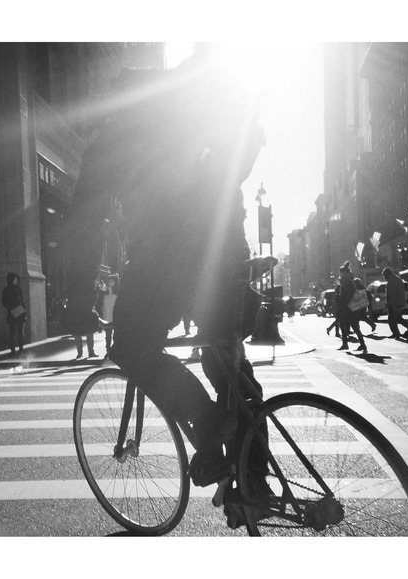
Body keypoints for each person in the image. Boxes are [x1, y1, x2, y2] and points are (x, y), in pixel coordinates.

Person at [65, 53, 270, 511]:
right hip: (226, 251)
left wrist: (78, 297)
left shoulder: (117, 133)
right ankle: (254, 485)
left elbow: (83, 222)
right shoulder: (195, 106)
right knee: (229, 366)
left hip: (166, 259)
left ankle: (207, 426)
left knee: (131, 347)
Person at [336, 263, 367, 353]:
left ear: (345, 273)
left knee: (353, 326)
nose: (340, 275)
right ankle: (348, 344)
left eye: (342, 273)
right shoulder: (345, 282)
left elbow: (349, 295)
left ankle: (361, 345)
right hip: (347, 308)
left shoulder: (348, 282)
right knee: (344, 325)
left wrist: (342, 302)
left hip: (350, 308)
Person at [65, 280, 99, 358]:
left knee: (77, 333)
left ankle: (80, 353)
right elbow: (93, 300)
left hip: (76, 312)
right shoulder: (89, 289)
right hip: (86, 312)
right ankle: (90, 352)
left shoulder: (74, 288)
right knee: (89, 332)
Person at [1, 272, 26, 354]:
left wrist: (24, 309)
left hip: (20, 312)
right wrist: (11, 307)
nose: (16, 281)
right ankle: (13, 350)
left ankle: (21, 348)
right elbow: (4, 301)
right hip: (13, 312)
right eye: (14, 279)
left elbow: (22, 300)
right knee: (13, 332)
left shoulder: (18, 289)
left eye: (17, 279)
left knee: (20, 332)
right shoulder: (7, 290)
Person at [96, 274, 119, 352]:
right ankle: (108, 350)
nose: (110, 283)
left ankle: (115, 349)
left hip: (116, 315)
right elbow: (99, 303)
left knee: (116, 334)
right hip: (108, 315)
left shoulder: (118, 292)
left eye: (112, 281)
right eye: (109, 281)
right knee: (108, 334)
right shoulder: (104, 292)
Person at [382, 267, 407, 339]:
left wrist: (391, 304)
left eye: (384, 276)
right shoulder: (395, 279)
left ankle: (397, 333)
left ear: (387, 275)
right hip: (396, 303)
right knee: (398, 318)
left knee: (392, 320)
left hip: (394, 303)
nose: (384, 278)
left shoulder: (392, 281)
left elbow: (392, 294)